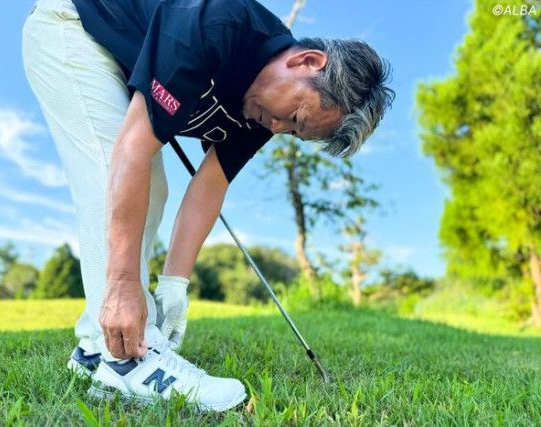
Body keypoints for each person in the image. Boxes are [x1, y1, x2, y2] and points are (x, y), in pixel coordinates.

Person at [22, 0, 393, 412]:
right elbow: (131, 152)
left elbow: (209, 186)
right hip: (74, 27)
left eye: (294, 132)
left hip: (113, 57)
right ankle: (122, 361)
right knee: (112, 165)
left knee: (153, 189)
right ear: (307, 61)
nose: (278, 128)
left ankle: (94, 353)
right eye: (296, 117)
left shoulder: (264, 110)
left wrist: (174, 285)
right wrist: (126, 286)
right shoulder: (217, 23)